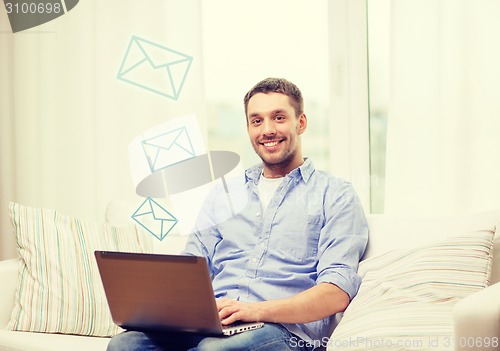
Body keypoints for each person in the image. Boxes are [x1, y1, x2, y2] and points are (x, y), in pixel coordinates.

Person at [107, 77, 368, 351]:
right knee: (125, 345)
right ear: (248, 128)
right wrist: (157, 308)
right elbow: (191, 267)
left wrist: (255, 311)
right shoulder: (224, 194)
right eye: (257, 121)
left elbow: (336, 292)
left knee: (213, 350)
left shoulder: (336, 194)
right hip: (213, 325)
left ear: (300, 123)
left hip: (283, 332)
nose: (267, 129)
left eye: (278, 117)